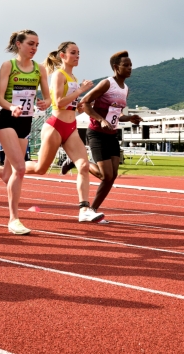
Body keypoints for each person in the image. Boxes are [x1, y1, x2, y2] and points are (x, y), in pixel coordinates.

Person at [0, 30, 50, 234]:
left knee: (9, 175)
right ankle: (13, 219)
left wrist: (45, 103)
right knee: (20, 169)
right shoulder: (9, 66)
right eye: (31, 44)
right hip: (8, 120)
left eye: (37, 44)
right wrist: (11, 107)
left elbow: (48, 97)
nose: (34, 48)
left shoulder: (40, 69)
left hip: (26, 123)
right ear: (19, 44)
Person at [22, 41, 104, 223]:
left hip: (71, 127)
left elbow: (69, 105)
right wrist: (82, 90)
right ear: (63, 56)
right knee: (40, 168)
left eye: (78, 53)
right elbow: (58, 102)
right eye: (73, 53)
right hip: (55, 126)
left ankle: (84, 209)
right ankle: (9, 168)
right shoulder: (59, 75)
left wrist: (80, 106)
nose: (77, 56)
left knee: (83, 166)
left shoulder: (74, 78)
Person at [79, 51, 143, 220]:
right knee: (105, 175)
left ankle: (92, 210)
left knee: (112, 176)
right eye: (126, 65)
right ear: (116, 67)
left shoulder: (126, 89)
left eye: (130, 65)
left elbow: (116, 114)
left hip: (112, 135)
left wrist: (129, 118)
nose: (130, 68)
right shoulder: (107, 83)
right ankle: (78, 162)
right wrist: (100, 120)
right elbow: (84, 103)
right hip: (97, 134)